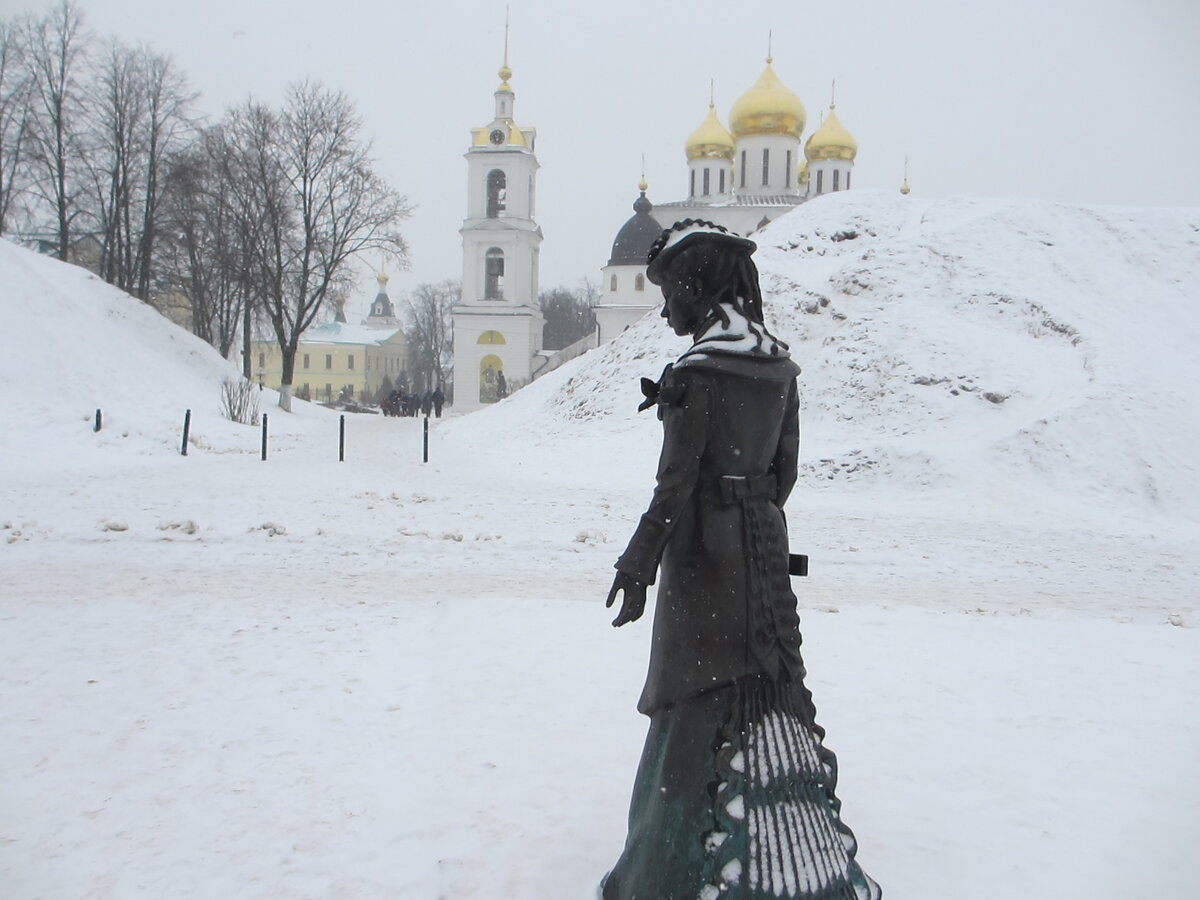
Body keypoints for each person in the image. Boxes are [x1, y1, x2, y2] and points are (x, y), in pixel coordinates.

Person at [602, 220, 880, 900]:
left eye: (669, 294)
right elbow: (784, 473)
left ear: (695, 288)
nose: (666, 310)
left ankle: (666, 871)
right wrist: (752, 518)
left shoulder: (698, 372)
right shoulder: (778, 365)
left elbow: (674, 488)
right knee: (762, 683)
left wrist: (638, 564)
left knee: (693, 698)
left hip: (701, 565)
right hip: (762, 553)